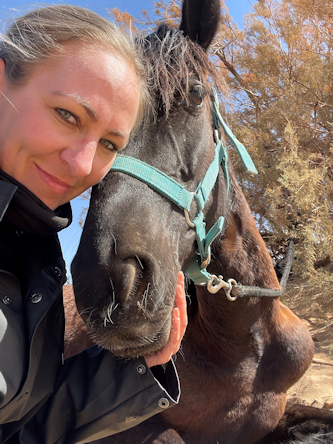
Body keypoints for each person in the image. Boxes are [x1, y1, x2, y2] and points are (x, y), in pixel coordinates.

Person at [0, 5, 187, 443]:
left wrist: (139, 371)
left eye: (109, 144)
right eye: (67, 115)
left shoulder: (35, 252)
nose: (82, 164)